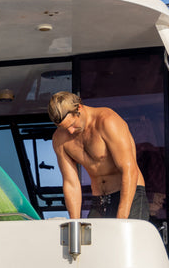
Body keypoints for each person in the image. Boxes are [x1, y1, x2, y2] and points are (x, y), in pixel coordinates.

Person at [48, 91, 149, 220]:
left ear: (79, 107)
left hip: (130, 194)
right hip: (99, 201)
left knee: (124, 238)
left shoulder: (107, 121)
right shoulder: (59, 138)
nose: (70, 131)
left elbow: (129, 169)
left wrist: (122, 218)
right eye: (64, 127)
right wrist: (75, 223)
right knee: (89, 239)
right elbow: (71, 183)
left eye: (72, 125)